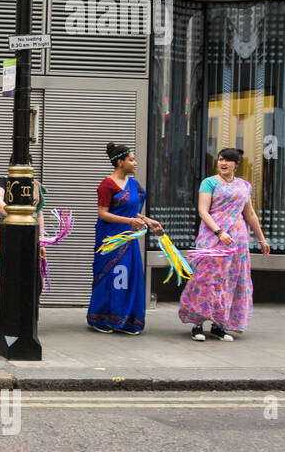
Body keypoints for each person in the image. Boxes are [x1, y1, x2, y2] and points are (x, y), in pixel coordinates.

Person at [178, 147, 270, 342]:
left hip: (238, 242)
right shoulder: (209, 183)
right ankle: (197, 324)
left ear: (236, 164)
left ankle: (219, 325)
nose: (223, 163)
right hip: (213, 238)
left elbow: (250, 214)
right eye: (221, 159)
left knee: (230, 281)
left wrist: (261, 238)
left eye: (228, 160)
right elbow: (203, 211)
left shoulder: (244, 185)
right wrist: (219, 232)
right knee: (206, 279)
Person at [88, 143, 164, 334]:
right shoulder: (107, 185)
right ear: (120, 162)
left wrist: (148, 220)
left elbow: (134, 213)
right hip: (110, 239)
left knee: (129, 277)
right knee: (109, 277)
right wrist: (130, 221)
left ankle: (127, 320)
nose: (135, 163)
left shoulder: (134, 186)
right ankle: (102, 318)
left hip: (129, 239)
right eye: (131, 159)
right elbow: (103, 214)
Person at [0, 176, 45, 336]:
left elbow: (39, 213)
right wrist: (19, 217)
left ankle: (24, 318)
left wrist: (42, 241)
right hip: (10, 233)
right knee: (7, 277)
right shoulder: (4, 182)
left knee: (34, 278)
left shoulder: (35, 185)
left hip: (31, 234)